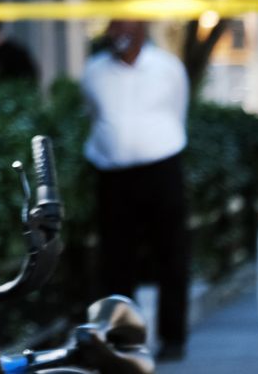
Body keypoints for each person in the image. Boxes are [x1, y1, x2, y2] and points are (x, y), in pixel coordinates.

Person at [81, 19, 192, 362]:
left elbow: (179, 108)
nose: (118, 34)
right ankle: (123, 338)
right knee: (117, 260)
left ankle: (173, 337)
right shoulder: (93, 71)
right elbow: (93, 112)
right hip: (113, 176)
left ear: (142, 28)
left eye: (125, 26)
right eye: (112, 27)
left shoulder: (167, 67)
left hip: (161, 169)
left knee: (171, 255)